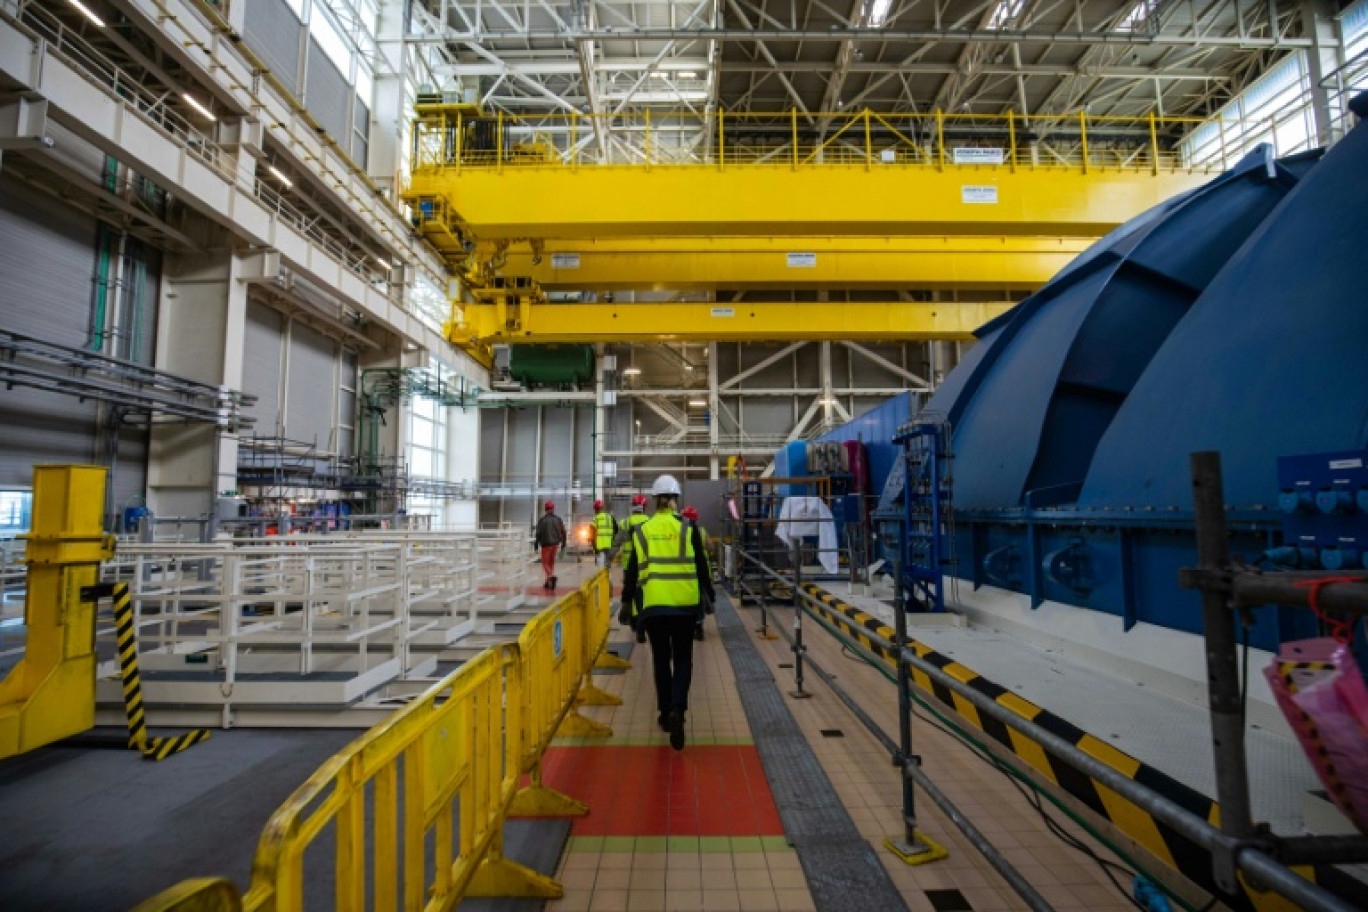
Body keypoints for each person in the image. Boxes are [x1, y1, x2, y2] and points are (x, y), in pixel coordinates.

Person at [621, 475, 714, 751]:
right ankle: (678, 710)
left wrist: (627, 603)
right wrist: (708, 595)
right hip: (685, 608)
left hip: (653, 608)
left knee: (661, 660)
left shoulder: (643, 530)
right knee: (683, 659)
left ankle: (664, 714)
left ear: (653, 500)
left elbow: (632, 572)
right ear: (676, 499)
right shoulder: (689, 528)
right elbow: (701, 566)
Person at [681, 506, 715, 641]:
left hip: (686, 572)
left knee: (686, 600)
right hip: (702, 571)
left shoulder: (681, 531)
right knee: (699, 600)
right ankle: (699, 627)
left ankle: (687, 627)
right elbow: (711, 547)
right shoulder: (701, 531)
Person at [534, 501, 566, 591]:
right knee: (551, 563)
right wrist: (564, 543)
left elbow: (538, 534)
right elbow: (564, 531)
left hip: (546, 544)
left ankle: (551, 577)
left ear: (545, 509)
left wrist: (536, 544)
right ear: (553, 508)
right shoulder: (558, 519)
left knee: (545, 563)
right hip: (555, 544)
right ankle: (548, 582)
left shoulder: (542, 520)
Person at [592, 499, 618, 568]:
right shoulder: (610, 518)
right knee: (608, 567)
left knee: (600, 569)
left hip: (599, 548)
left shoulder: (595, 519)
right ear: (603, 508)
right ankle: (608, 578)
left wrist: (595, 548)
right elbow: (616, 530)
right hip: (609, 546)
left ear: (596, 509)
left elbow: (591, 536)